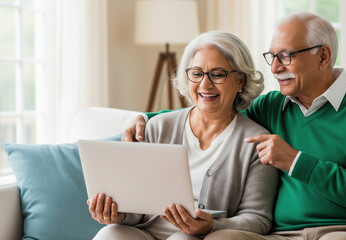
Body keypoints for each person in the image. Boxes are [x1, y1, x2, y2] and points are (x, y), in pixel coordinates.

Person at [123, 12, 346, 240]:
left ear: (323, 56)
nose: (275, 68)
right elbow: (212, 106)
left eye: (286, 56)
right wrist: (146, 119)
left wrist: (295, 161)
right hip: (279, 235)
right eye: (272, 56)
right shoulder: (270, 106)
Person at [87, 31, 279, 240]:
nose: (205, 84)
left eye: (217, 74)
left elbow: (258, 218)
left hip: (198, 237)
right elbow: (136, 205)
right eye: (197, 73)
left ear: (240, 81)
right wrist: (118, 212)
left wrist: (211, 226)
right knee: (110, 233)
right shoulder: (158, 127)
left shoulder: (256, 141)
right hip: (144, 230)